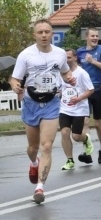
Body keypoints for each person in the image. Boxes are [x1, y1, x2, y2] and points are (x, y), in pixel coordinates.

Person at [9, 19, 72, 203]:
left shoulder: (60, 54)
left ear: (52, 33)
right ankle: (34, 163)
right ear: (34, 35)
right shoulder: (26, 55)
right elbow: (14, 79)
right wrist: (16, 87)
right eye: (40, 32)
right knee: (33, 148)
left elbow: (65, 72)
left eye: (47, 32)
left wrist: (70, 79)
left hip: (52, 102)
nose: (44, 35)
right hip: (31, 103)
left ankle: (39, 188)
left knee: (46, 146)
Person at [76, 27, 101, 164]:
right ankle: (88, 152)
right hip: (85, 90)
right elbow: (75, 68)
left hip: (98, 89)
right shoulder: (80, 52)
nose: (95, 38)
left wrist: (93, 62)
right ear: (86, 37)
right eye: (92, 36)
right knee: (85, 121)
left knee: (97, 123)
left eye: (97, 36)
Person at [59, 49, 94, 171]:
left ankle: (86, 139)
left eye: (69, 57)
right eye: (65, 58)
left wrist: (78, 99)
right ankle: (69, 160)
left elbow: (90, 90)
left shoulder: (82, 73)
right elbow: (60, 88)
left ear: (75, 58)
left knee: (76, 136)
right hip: (65, 108)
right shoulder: (61, 73)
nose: (66, 60)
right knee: (64, 132)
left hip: (79, 109)